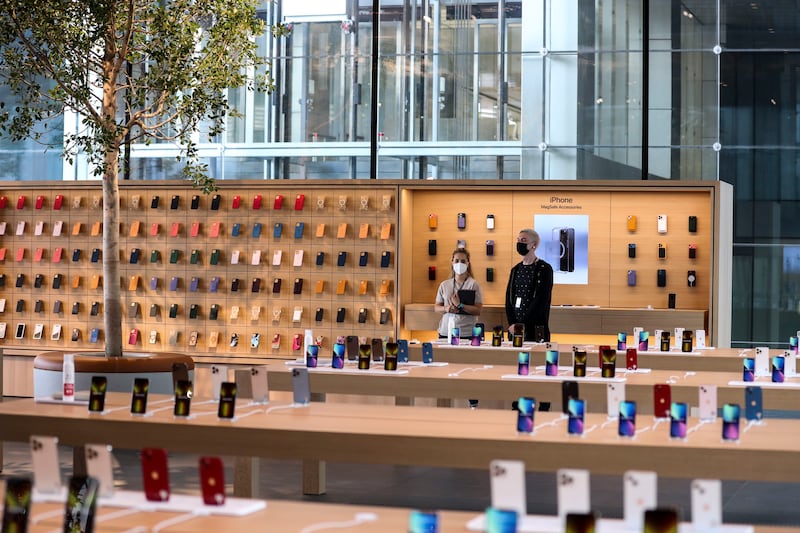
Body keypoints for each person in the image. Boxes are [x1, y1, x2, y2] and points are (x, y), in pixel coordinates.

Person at [505, 228, 554, 342]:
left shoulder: (544, 269)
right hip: (515, 328)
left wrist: (522, 325)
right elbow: (509, 298)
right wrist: (512, 323)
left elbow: (541, 300)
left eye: (523, 240)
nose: (520, 243)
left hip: (535, 328)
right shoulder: (515, 270)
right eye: (518, 240)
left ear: (534, 245)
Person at [434, 248, 484, 339]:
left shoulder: (474, 285)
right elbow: (437, 307)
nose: (459, 264)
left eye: (463, 261)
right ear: (452, 262)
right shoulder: (444, 285)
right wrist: (446, 308)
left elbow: (478, 310)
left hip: (466, 333)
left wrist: (460, 305)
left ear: (468, 263)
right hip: (446, 332)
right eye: (456, 261)